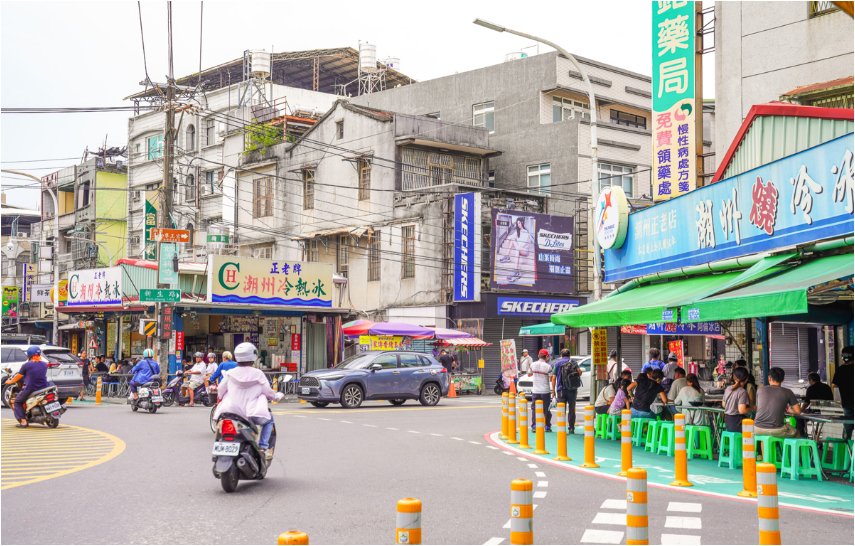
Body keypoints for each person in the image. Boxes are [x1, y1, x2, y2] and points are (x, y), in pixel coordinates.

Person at [214, 342, 284, 460]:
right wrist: (278, 396)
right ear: (253, 358)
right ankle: (263, 447)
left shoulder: (230, 373)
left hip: (230, 413)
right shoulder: (258, 374)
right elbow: (269, 393)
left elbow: (220, 390)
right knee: (269, 420)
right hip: (251, 415)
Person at [5, 346, 49, 427]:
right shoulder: (44, 364)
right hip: (44, 387)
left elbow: (18, 377)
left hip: (31, 388)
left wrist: (9, 381)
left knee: (17, 402)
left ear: (29, 354)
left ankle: (23, 421)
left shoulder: (27, 365)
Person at [753, 367, 801, 438]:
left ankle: (766, 449)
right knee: (796, 432)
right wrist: (790, 411)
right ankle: (787, 449)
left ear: (769, 378)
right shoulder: (788, 392)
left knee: (765, 437)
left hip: (757, 428)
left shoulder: (760, 390)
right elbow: (798, 411)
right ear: (783, 379)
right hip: (776, 430)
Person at [797, 372, 834, 437]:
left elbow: (806, 403)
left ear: (811, 380)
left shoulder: (811, 388)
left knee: (799, 417)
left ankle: (802, 435)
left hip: (814, 412)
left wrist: (800, 410)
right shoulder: (827, 387)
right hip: (827, 412)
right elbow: (831, 400)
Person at [551, 349, 577, 433]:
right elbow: (579, 372)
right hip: (572, 389)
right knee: (572, 409)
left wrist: (553, 391)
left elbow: (554, 378)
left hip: (560, 389)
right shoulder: (573, 362)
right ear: (570, 355)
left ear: (561, 356)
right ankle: (571, 427)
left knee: (562, 409)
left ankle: (561, 427)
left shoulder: (557, 364)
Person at [527, 349, 553, 432]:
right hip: (545, 391)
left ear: (538, 356)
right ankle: (547, 426)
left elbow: (529, 374)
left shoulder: (533, 364)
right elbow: (551, 378)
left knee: (534, 408)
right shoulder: (548, 366)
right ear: (546, 357)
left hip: (535, 391)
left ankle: (534, 425)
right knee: (546, 409)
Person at [831, 346, 853, 441]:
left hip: (847, 403)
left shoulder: (840, 370)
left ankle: (845, 450)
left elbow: (833, 384)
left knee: (847, 428)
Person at [723, 367, 754, 433]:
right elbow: (742, 411)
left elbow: (724, 405)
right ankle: (746, 443)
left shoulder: (728, 389)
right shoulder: (742, 391)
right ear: (746, 379)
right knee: (755, 427)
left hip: (728, 422)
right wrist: (752, 408)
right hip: (737, 423)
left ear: (734, 378)